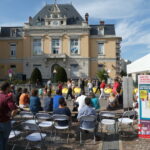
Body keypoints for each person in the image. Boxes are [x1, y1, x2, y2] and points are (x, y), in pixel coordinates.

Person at [0, 82, 18, 150]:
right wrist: (11, 115)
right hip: (5, 122)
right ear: (7, 88)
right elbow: (14, 110)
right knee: (4, 141)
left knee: (0, 141)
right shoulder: (7, 97)